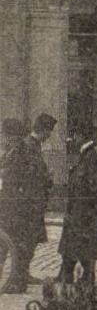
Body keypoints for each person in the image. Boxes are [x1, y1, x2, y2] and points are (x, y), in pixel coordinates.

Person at [0, 111, 56, 293]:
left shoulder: (26, 148)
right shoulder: (22, 148)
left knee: (22, 243)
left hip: (24, 205)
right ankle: (16, 279)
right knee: (14, 243)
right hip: (18, 205)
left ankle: (19, 278)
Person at [59, 136, 97, 286]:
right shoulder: (85, 154)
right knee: (73, 239)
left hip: (84, 209)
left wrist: (88, 208)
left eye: (73, 136)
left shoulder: (92, 155)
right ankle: (66, 273)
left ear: (80, 137)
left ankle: (87, 276)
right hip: (79, 208)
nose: (70, 141)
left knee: (83, 241)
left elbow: (93, 186)